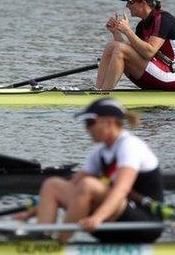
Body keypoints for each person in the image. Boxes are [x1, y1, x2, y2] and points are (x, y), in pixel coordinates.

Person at [15, 98, 164, 243]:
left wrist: (97, 218)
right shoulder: (101, 150)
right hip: (110, 222)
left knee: (88, 185)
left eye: (90, 122)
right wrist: (34, 211)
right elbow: (74, 185)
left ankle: (59, 242)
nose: (87, 129)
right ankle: (42, 239)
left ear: (110, 122)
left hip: (143, 223)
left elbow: (121, 190)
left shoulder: (130, 146)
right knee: (52, 185)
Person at [96, 0, 175, 90]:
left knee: (119, 49)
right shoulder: (141, 25)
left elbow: (149, 52)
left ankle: (105, 94)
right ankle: (99, 90)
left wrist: (127, 31)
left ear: (143, 3)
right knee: (111, 46)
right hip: (155, 72)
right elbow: (131, 51)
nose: (127, 6)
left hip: (174, 75)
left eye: (130, 2)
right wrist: (116, 33)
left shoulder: (163, 19)